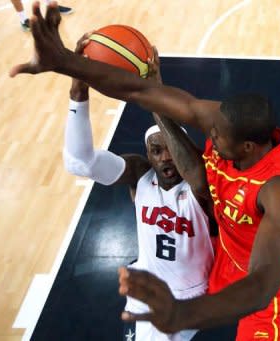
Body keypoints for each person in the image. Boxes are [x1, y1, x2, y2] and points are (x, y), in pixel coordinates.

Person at [10, 3, 280, 340]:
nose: (208, 135)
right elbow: (141, 91)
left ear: (247, 149)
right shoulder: (224, 123)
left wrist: (183, 314)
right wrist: (66, 62)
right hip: (223, 257)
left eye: (217, 137)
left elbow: (261, 285)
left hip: (263, 279)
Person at [63, 34, 215, 341]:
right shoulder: (140, 177)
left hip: (187, 299)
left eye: (170, 147)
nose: (165, 157)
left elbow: (196, 173)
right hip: (147, 286)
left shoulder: (204, 184)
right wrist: (78, 90)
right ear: (147, 156)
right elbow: (79, 162)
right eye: (156, 151)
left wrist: (154, 93)